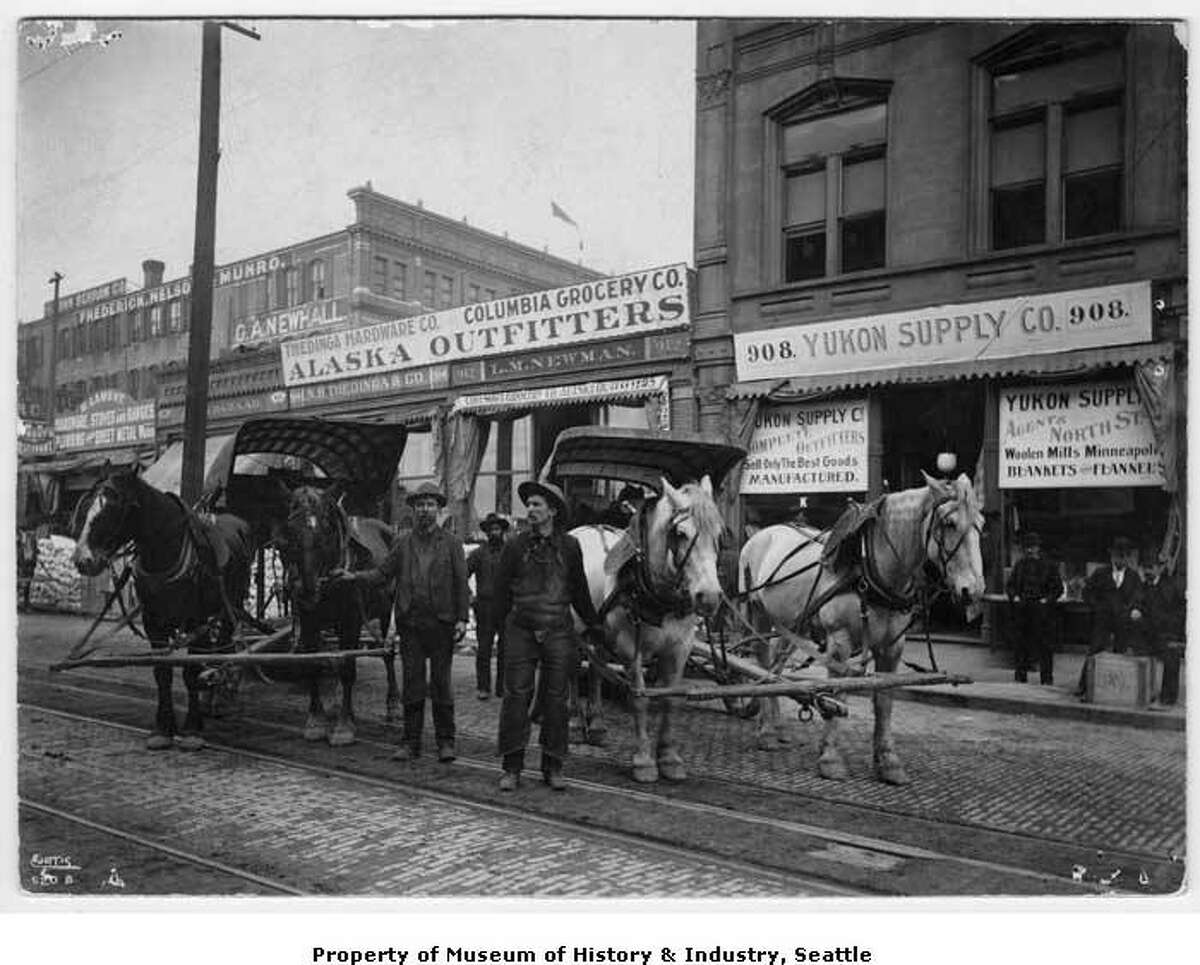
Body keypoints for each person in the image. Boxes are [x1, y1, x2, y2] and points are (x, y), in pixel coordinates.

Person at [337, 481, 468, 762]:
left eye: (430, 505)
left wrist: (462, 619)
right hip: (411, 625)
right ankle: (410, 742)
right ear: (413, 509)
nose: (425, 510)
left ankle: (446, 742)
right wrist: (354, 577)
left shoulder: (453, 544)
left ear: (439, 509)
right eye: (420, 505)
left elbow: (461, 585)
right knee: (413, 684)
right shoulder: (403, 543)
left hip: (442, 624)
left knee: (441, 684)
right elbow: (383, 574)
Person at [494, 479, 602, 792]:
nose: (530, 509)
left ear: (552, 511)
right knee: (516, 696)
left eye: (537, 505)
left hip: (558, 630)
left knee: (557, 700)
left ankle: (553, 766)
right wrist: (501, 634)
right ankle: (512, 767)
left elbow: (580, 592)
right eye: (528, 505)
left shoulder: (570, 546)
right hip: (521, 630)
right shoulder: (514, 545)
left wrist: (595, 627)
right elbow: (501, 593)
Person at [1076, 536, 1144, 697]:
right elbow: (1087, 593)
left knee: (1120, 653)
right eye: (1119, 556)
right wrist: (1097, 608)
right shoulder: (1101, 573)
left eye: (1125, 556)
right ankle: (1084, 685)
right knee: (1095, 649)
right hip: (1103, 619)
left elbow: (1139, 597)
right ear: (1112, 556)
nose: (1122, 559)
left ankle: (1116, 690)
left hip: (1123, 620)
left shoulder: (1133, 577)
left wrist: (1135, 609)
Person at [1005, 532, 1064, 684]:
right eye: (1027, 548)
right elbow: (1010, 585)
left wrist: (1047, 600)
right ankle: (1020, 677)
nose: (1030, 551)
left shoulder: (1049, 566)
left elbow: (1058, 588)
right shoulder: (1020, 565)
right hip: (1023, 609)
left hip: (1042, 611)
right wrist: (1015, 597)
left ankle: (1046, 679)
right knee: (1021, 645)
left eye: (1033, 547)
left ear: (1038, 548)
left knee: (1045, 646)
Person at [467, 512, 509, 700]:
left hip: (507, 607)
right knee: (484, 648)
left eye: (497, 529)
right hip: (484, 607)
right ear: (486, 532)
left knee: (506, 648)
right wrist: (469, 596)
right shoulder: (478, 554)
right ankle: (483, 687)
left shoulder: (510, 552)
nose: (494, 532)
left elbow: (519, 578)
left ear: (502, 531)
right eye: (491, 529)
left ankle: (502, 687)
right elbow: (461, 575)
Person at [1138, 559, 1185, 706]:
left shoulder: (1172, 585)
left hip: (1168, 633)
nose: (1147, 572)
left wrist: (1172, 629)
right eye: (1145, 568)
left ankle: (1168, 699)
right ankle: (1141, 693)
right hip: (1147, 633)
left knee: (1172, 659)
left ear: (1159, 568)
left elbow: (1181, 610)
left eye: (1150, 568)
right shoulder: (1142, 586)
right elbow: (1137, 604)